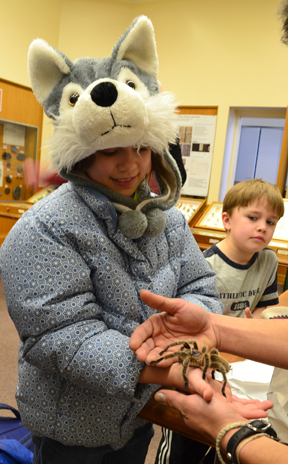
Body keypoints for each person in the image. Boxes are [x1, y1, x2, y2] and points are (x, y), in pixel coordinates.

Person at [155, 179, 284, 464]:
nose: (263, 227)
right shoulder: (206, 265)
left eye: (271, 222)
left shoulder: (268, 261)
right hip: (199, 361)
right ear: (226, 220)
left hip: (239, 364)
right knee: (181, 442)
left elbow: (267, 309)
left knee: (221, 437)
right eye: (253, 218)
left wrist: (257, 323)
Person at [130, 289, 288, 464]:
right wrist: (213, 329)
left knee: (215, 362)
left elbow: (210, 361)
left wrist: (228, 428)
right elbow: (187, 348)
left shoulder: (207, 358)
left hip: (209, 362)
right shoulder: (191, 351)